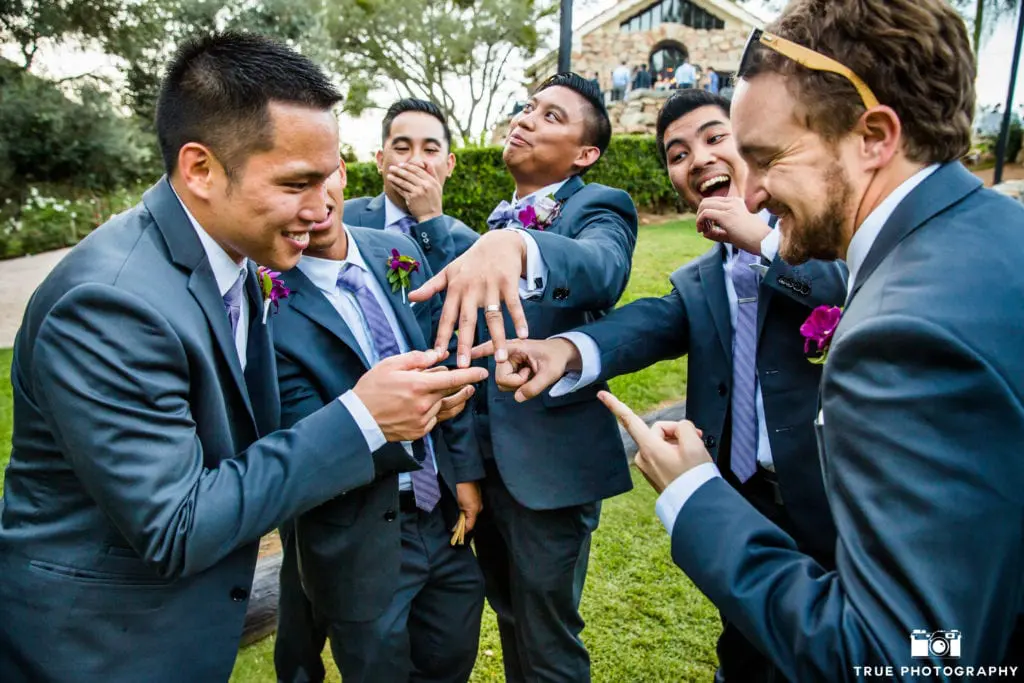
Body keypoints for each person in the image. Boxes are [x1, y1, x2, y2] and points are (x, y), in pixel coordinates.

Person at [0, 32, 486, 683]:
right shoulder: (110, 303)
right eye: (296, 183)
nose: (322, 207)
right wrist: (365, 419)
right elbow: (177, 524)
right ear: (200, 169)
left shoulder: (237, 258)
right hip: (99, 648)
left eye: (329, 177)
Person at [603, 0, 1024, 679]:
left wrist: (692, 493)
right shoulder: (998, 237)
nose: (753, 194)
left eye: (767, 158)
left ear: (873, 137)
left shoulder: (897, 333)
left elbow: (909, 655)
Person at [470, 88, 848, 682]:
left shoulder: (826, 235)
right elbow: (646, 326)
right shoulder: (701, 279)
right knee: (745, 657)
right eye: (678, 154)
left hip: (836, 503)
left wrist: (762, 239)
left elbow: (847, 286)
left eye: (715, 138)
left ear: (755, 146)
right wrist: (563, 350)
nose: (698, 159)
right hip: (742, 501)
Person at [410, 72, 638, 682]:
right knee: (510, 617)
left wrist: (519, 244)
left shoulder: (599, 206)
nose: (526, 118)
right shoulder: (499, 220)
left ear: (585, 154)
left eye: (552, 116)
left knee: (547, 640)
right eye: (528, 107)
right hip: (484, 462)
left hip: (549, 470)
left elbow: (603, 269)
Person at [272, 170, 485, 683]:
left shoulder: (396, 249)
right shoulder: (266, 296)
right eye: (293, 185)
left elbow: (441, 360)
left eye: (323, 176)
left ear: (343, 171)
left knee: (452, 654)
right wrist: (408, 417)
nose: (315, 199)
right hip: (357, 531)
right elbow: (298, 429)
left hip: (439, 514)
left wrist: (464, 473)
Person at [345, 98, 479, 273]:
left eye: (430, 150)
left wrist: (430, 219)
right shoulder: (343, 219)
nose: (416, 161)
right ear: (380, 160)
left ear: (449, 165)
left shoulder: (471, 245)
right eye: (402, 148)